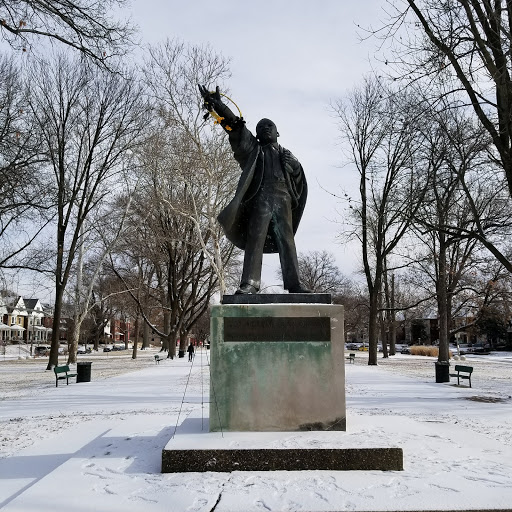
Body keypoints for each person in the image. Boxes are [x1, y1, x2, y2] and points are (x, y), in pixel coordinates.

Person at [199, 85, 312, 295]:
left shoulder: (286, 155)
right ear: (257, 135)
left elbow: (299, 181)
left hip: (283, 199)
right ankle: (250, 282)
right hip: (261, 198)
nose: (264, 128)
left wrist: (294, 165)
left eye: (269, 126)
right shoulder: (253, 150)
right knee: (255, 237)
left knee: (287, 239)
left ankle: (294, 283)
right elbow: (235, 127)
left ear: (278, 132)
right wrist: (220, 107)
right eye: (260, 127)